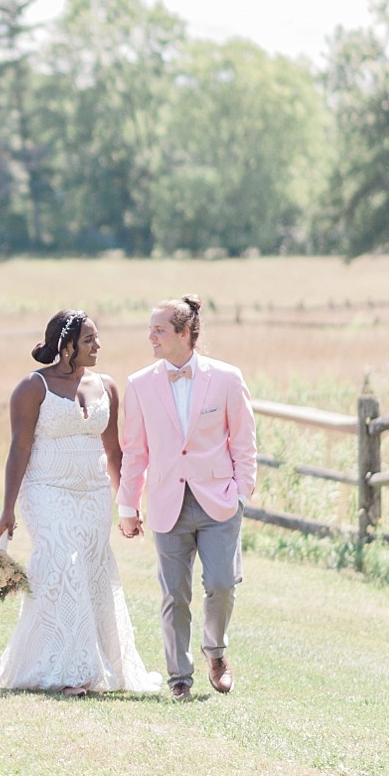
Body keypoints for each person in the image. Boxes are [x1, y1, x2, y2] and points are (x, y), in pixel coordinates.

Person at [0, 309, 161, 695]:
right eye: (89, 340)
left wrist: (128, 506)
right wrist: (8, 508)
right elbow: (19, 449)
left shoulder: (107, 386)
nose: (98, 346)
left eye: (97, 338)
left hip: (93, 493)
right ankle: (73, 672)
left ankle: (92, 662)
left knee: (90, 570)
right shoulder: (32, 388)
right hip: (46, 490)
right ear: (67, 346)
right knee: (62, 563)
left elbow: (114, 451)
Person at [117, 295, 256, 701]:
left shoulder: (228, 378)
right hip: (165, 501)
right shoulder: (139, 384)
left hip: (219, 501)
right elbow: (135, 451)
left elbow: (244, 442)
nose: (151, 337)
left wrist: (242, 493)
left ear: (184, 333)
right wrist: (128, 506)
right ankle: (179, 676)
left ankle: (216, 652)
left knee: (222, 584)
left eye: (158, 330)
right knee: (174, 593)